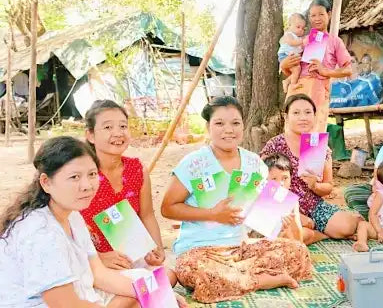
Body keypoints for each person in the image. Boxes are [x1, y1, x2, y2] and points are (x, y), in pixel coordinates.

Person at [0, 136, 186, 308]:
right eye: (74, 177)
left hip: (79, 296)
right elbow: (64, 303)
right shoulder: (40, 232)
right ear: (46, 182)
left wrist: (161, 293)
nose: (87, 185)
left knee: (145, 287)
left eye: (91, 174)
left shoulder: (72, 216)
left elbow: (99, 274)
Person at [161, 96, 312, 303]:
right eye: (219, 123)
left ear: (243, 124)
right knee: (198, 272)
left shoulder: (255, 163)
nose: (228, 130)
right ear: (208, 127)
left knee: (298, 252)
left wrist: (278, 218)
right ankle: (261, 279)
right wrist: (212, 214)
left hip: (240, 248)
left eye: (235, 123)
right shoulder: (193, 163)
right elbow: (167, 208)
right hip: (200, 252)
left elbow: (260, 212)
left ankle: (240, 276)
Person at [81, 100, 172, 282]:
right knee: (138, 289)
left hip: (132, 258)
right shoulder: (82, 174)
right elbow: (65, 231)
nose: (117, 133)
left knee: (169, 276)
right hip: (93, 263)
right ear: (90, 135)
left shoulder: (137, 170)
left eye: (123, 126)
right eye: (107, 127)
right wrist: (99, 258)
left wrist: (156, 249)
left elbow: (147, 215)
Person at [261, 94, 363, 244]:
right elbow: (261, 183)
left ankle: (313, 230)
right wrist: (293, 213)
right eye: (296, 113)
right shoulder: (274, 145)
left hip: (313, 205)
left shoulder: (319, 146)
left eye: (308, 112)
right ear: (286, 116)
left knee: (346, 227)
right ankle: (318, 234)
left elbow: (328, 186)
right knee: (285, 238)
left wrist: (314, 185)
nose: (303, 117)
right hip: (282, 208)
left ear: (315, 116)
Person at [280, 0, 352, 132]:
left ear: (329, 14)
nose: (317, 18)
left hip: (318, 90)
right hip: (297, 88)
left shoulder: (335, 41)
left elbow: (348, 70)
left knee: (314, 134)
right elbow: (292, 70)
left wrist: (325, 71)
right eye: (313, 15)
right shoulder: (303, 41)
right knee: (292, 132)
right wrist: (284, 65)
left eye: (321, 14)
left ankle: (314, 154)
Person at [263, 152, 315, 243]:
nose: (281, 183)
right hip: (264, 242)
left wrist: (291, 221)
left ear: (291, 178)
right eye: (274, 179)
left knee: (309, 234)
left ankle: (323, 236)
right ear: (265, 180)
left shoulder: (291, 201)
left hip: (285, 241)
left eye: (285, 178)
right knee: (308, 234)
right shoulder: (260, 199)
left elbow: (298, 239)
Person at [278, 13, 306, 93]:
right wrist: (302, 41)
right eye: (298, 27)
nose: (301, 30)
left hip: (291, 56)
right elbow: (292, 43)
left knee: (297, 70)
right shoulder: (288, 34)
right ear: (290, 26)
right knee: (297, 69)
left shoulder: (298, 37)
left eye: (303, 28)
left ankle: (287, 81)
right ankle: (293, 85)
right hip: (285, 55)